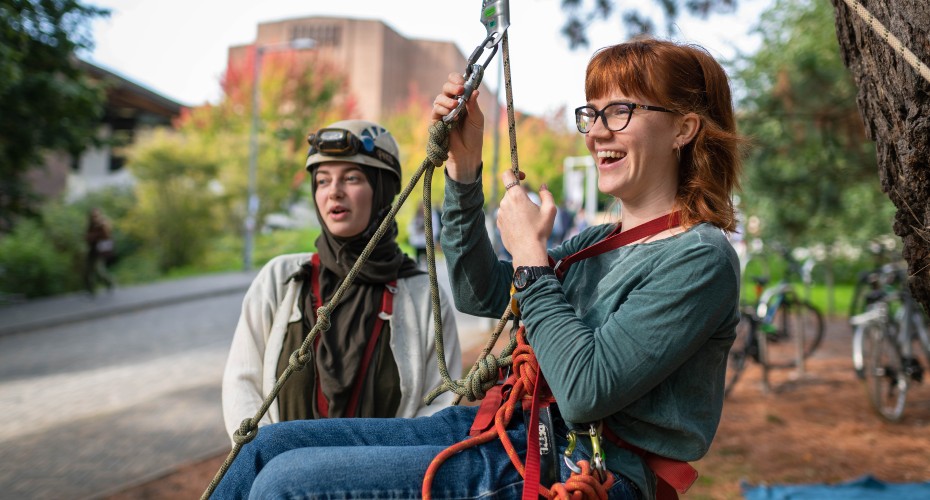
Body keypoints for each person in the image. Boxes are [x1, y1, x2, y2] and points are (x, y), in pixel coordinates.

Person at [213, 37, 741, 500]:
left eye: (620, 111)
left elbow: (585, 391)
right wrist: (464, 173)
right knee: (265, 449)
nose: (597, 132)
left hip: (583, 466)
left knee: (287, 485)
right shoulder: (597, 243)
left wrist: (532, 260)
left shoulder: (697, 257)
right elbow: (480, 292)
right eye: (592, 113)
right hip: (506, 428)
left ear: (684, 129)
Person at [221, 119, 462, 442]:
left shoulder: (422, 295)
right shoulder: (280, 280)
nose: (333, 191)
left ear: (383, 189)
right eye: (322, 180)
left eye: (351, 178)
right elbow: (242, 384)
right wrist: (268, 460)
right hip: (280, 480)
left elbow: (440, 408)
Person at [84, 207, 114, 295]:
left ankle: (109, 283)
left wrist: (94, 234)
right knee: (87, 270)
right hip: (92, 249)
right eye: (93, 215)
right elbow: (86, 236)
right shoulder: (90, 224)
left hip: (100, 250)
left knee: (99, 270)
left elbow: (106, 235)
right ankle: (90, 290)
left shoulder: (103, 223)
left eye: (96, 214)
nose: (94, 216)